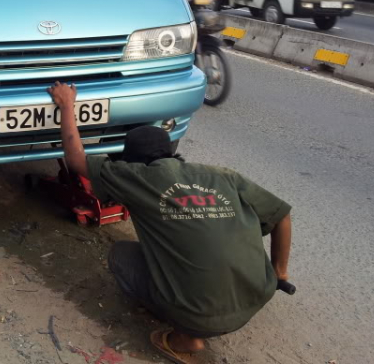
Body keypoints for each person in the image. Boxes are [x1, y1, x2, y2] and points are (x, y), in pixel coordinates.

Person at [47, 81, 293, 364]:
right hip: (257, 297)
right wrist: (280, 273)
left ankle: (185, 338)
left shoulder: (135, 176)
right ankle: (196, 315)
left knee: (121, 255)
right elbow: (282, 214)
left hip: (199, 317)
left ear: (132, 160)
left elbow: (76, 159)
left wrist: (67, 105)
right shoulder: (223, 175)